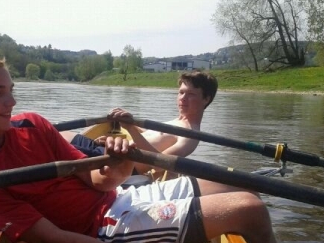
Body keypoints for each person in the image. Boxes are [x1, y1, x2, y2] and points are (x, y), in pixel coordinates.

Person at [0, 46, 282, 243]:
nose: (11, 103)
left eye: (11, 91)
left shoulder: (31, 124)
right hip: (100, 230)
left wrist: (119, 164)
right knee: (249, 210)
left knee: (235, 182)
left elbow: (98, 180)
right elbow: (53, 240)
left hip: (119, 198)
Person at [63, 71, 241, 195]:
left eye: (191, 94)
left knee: (54, 139)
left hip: (118, 164)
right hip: (111, 150)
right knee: (57, 136)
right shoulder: (176, 122)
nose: (182, 98)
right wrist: (127, 123)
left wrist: (131, 129)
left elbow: (157, 164)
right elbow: (148, 136)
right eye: (181, 92)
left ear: (206, 99)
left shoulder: (191, 136)